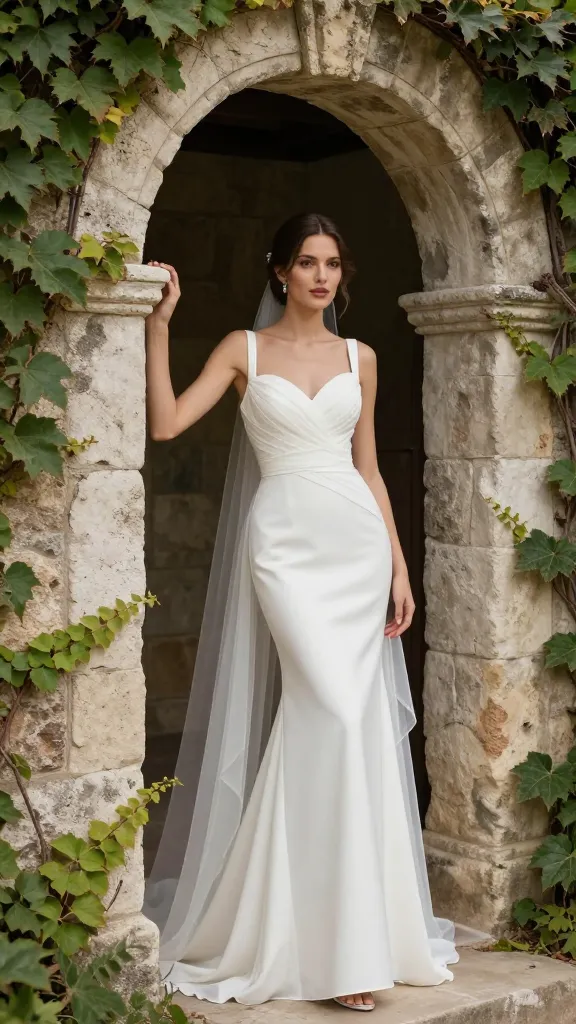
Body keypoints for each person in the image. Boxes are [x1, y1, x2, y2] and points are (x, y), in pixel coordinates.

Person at [143, 213, 459, 1012]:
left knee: (343, 725)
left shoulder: (363, 358)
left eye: (332, 264)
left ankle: (352, 944)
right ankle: (313, 939)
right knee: (329, 712)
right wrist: (157, 327)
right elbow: (167, 422)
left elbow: (369, 469)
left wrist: (397, 564)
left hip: (354, 546)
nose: (322, 276)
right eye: (307, 263)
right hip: (283, 548)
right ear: (280, 272)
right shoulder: (241, 351)